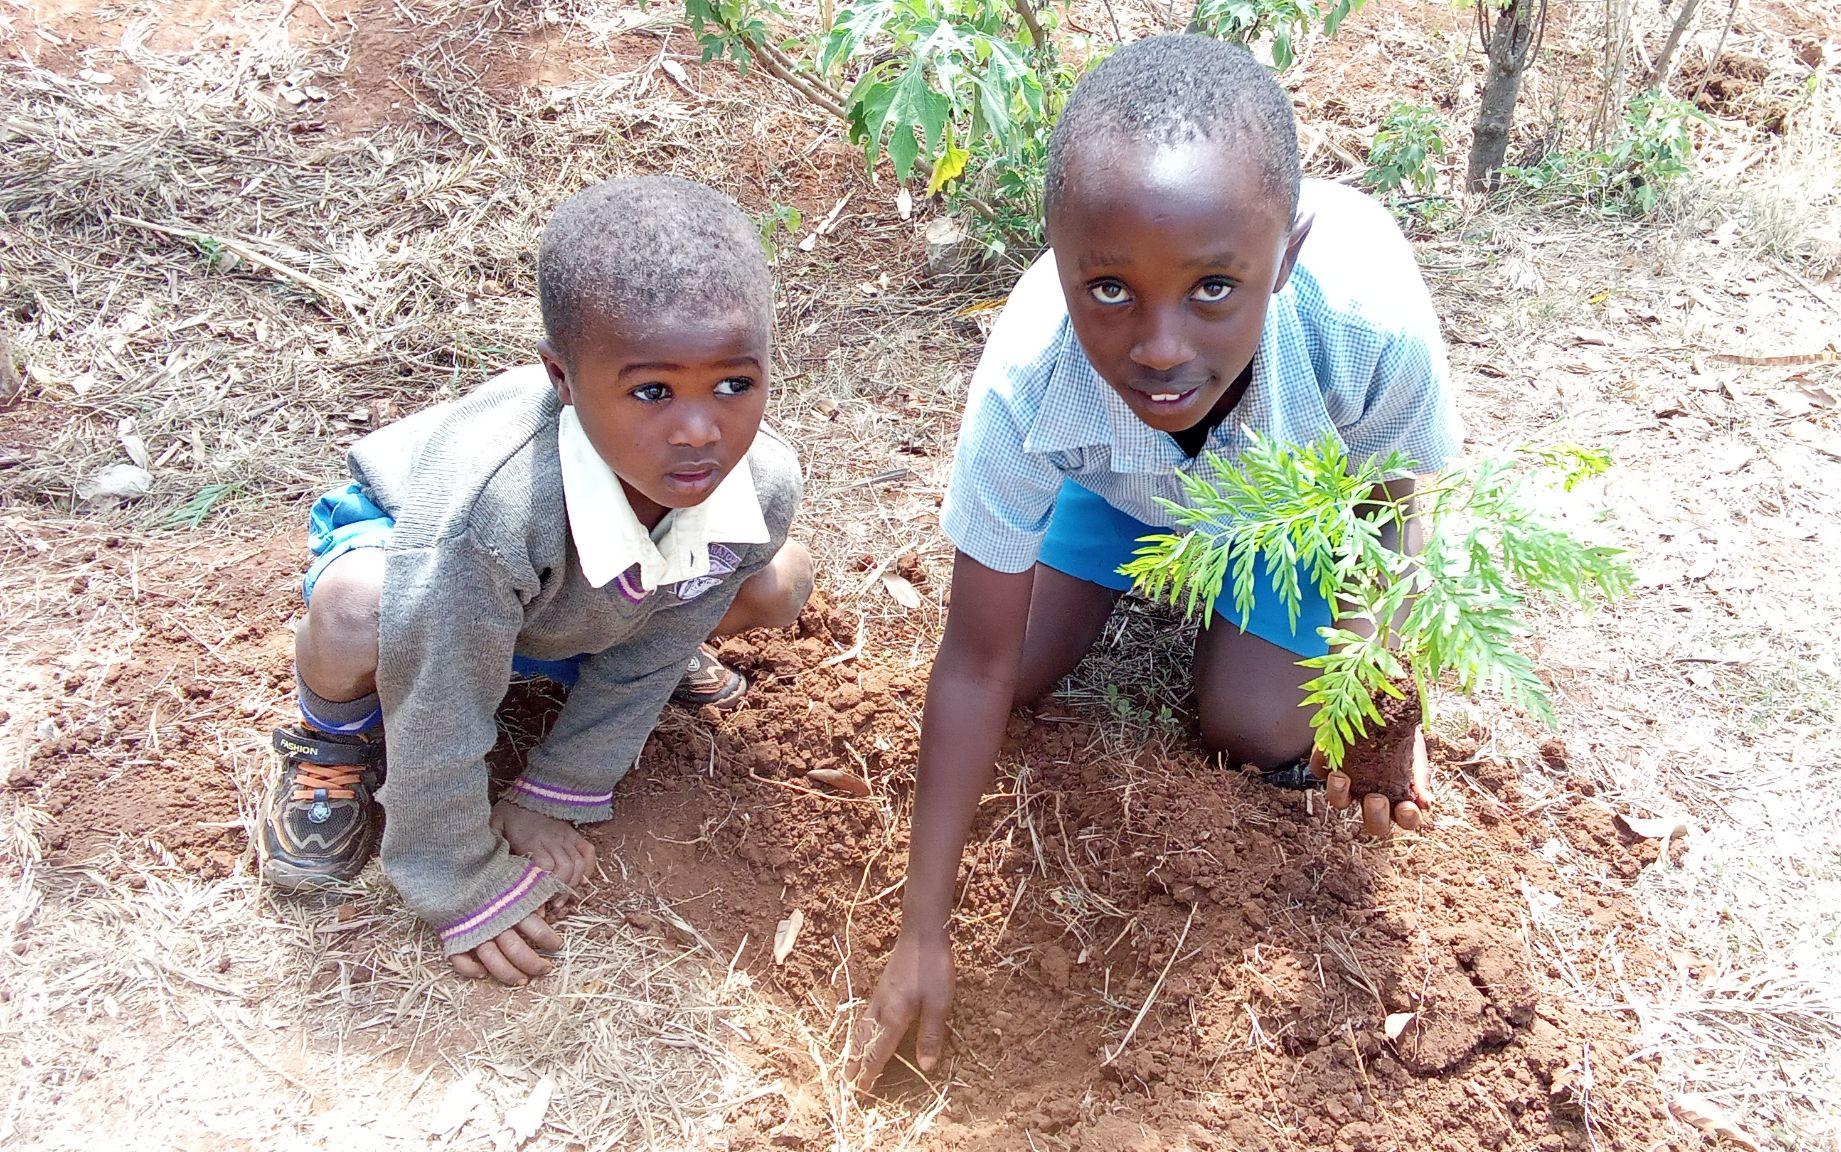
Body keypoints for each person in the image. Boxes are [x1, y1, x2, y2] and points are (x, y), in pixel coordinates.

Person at [853, 34, 1460, 1085]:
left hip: (1287, 510)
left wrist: (1377, 688)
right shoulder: (1031, 380)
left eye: (1214, 288)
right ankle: (1149, 565)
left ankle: (1245, 624)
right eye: (1108, 290)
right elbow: (970, 659)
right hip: (1117, 489)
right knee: (1019, 676)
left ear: (1286, 251)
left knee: (1261, 727)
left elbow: (1398, 513)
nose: (1160, 346)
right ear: (1054, 258)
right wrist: (921, 932)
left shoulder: (1363, 330)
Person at [258, 176, 812, 986]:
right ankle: (333, 742)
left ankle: (590, 641)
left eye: (735, 383)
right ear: (561, 377)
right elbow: (439, 686)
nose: (701, 429)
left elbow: (661, 644)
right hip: (422, 563)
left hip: (554, 593)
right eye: (652, 391)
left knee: (776, 578)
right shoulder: (496, 507)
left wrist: (556, 790)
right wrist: (453, 875)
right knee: (356, 612)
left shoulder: (758, 482)